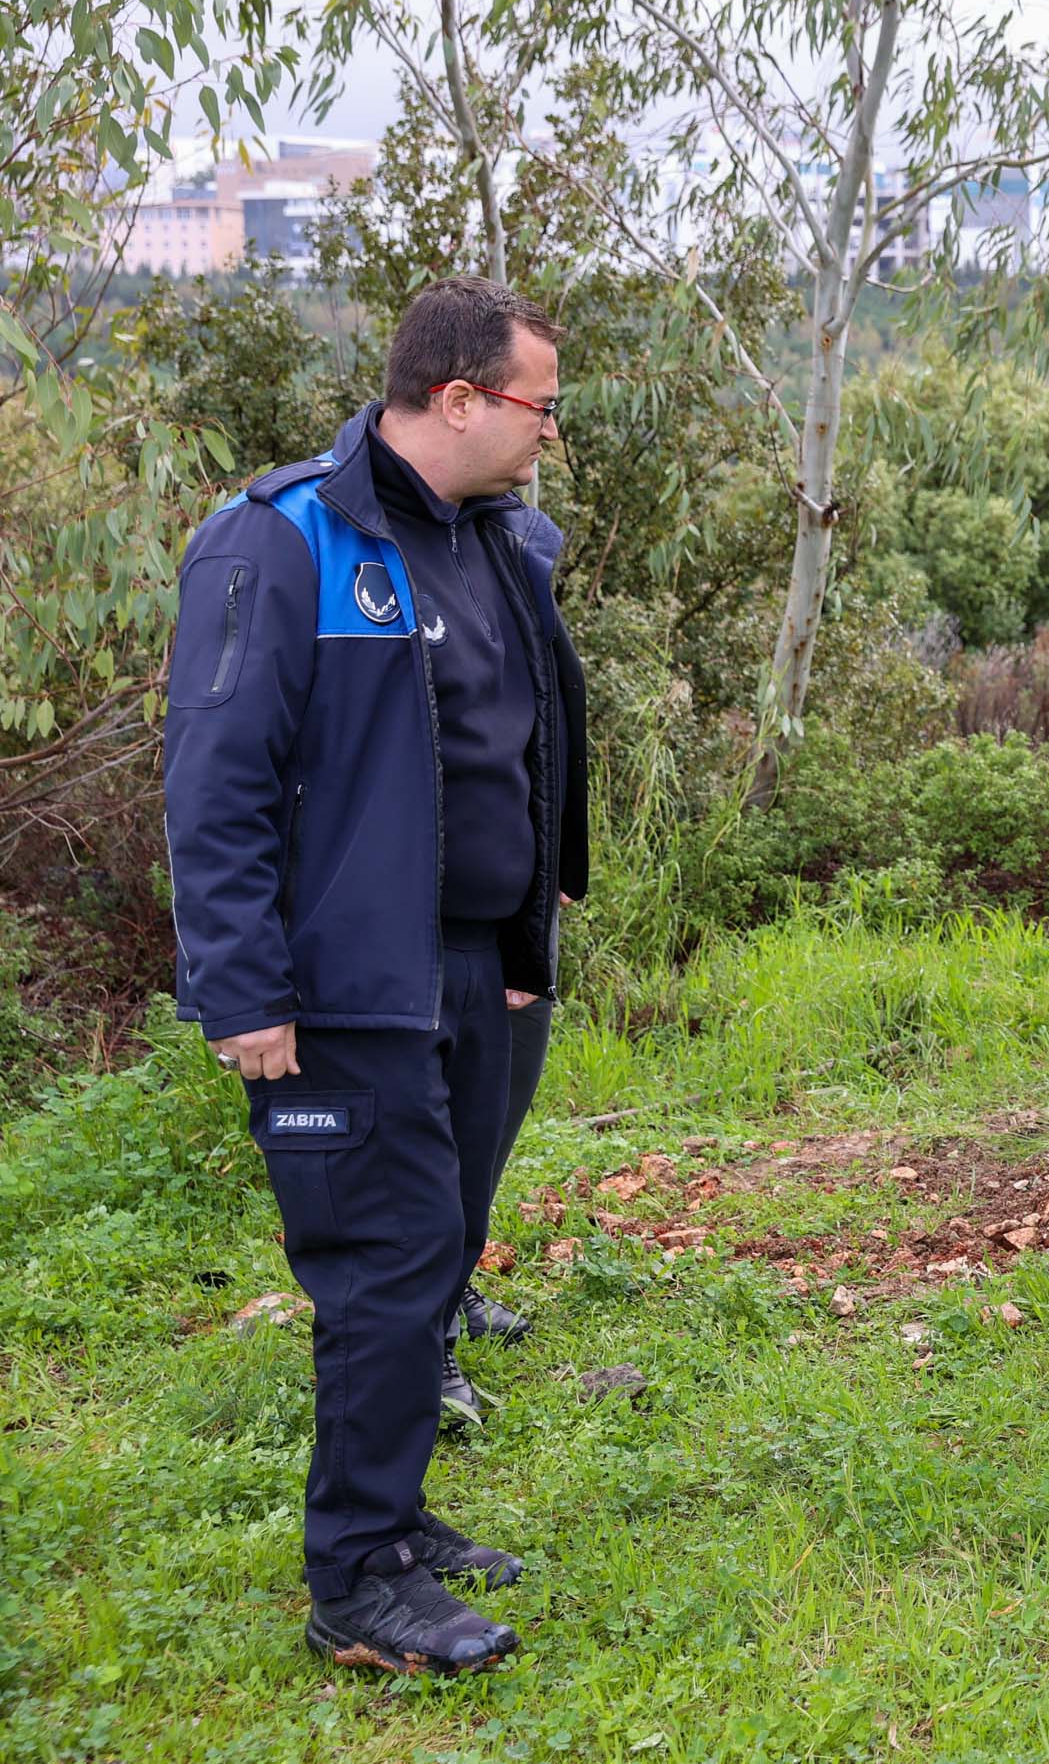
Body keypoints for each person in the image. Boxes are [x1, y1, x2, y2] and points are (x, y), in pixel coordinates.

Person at [163, 275, 588, 1675]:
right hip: (344, 994)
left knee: (437, 1250)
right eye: (537, 404)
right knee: (382, 1270)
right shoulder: (281, 542)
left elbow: (528, 747)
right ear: (456, 397)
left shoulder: (502, 540)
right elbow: (214, 788)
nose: (548, 434)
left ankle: (396, 1521)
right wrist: (245, 995)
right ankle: (357, 1579)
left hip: (472, 973)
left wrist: (525, 945)